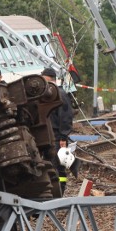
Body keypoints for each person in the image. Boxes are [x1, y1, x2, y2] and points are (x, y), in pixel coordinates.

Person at [41, 67, 74, 196]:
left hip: (57, 137)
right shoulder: (48, 95)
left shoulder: (60, 94)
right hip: (49, 136)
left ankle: (59, 192)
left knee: (58, 166)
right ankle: (52, 192)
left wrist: (63, 137)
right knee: (50, 165)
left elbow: (66, 117)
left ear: (50, 79)